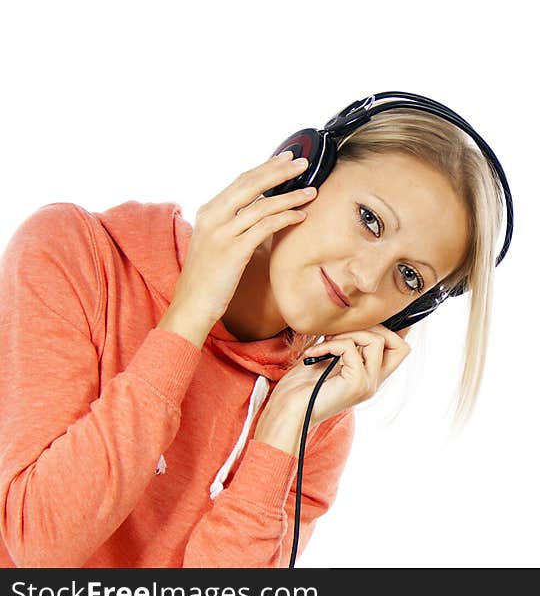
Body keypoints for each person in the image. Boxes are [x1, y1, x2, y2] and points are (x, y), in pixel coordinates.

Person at [0, 108, 505, 567]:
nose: (368, 278)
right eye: (370, 220)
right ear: (299, 169)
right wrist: (190, 316)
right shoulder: (78, 256)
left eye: (410, 277)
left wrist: (284, 425)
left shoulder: (317, 412)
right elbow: (40, 546)